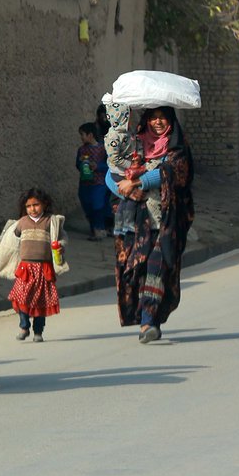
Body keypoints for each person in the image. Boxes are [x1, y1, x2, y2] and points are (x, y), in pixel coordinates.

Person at [103, 102, 195, 343]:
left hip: (166, 223)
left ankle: (147, 323)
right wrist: (125, 190)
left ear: (171, 121)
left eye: (163, 117)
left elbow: (173, 172)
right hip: (135, 224)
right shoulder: (133, 143)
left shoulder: (177, 148)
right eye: (153, 117)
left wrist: (137, 183)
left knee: (157, 269)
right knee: (137, 272)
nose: (158, 122)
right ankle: (147, 320)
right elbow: (110, 173)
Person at [0, 188, 64, 342]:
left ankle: (38, 332)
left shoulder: (51, 221)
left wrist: (59, 246)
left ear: (44, 204)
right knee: (22, 298)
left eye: (36, 205)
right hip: (25, 269)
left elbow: (62, 238)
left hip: (43, 268)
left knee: (41, 302)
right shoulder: (22, 223)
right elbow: (11, 242)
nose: (32, 209)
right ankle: (24, 326)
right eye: (28, 206)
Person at [76, 123, 109, 241]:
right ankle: (93, 228)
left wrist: (98, 166)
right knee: (87, 204)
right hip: (85, 183)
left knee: (97, 206)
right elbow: (77, 165)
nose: (81, 138)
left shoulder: (102, 149)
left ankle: (100, 229)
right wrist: (82, 163)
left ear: (90, 135)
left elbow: (109, 165)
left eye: (82, 135)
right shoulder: (82, 149)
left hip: (99, 183)